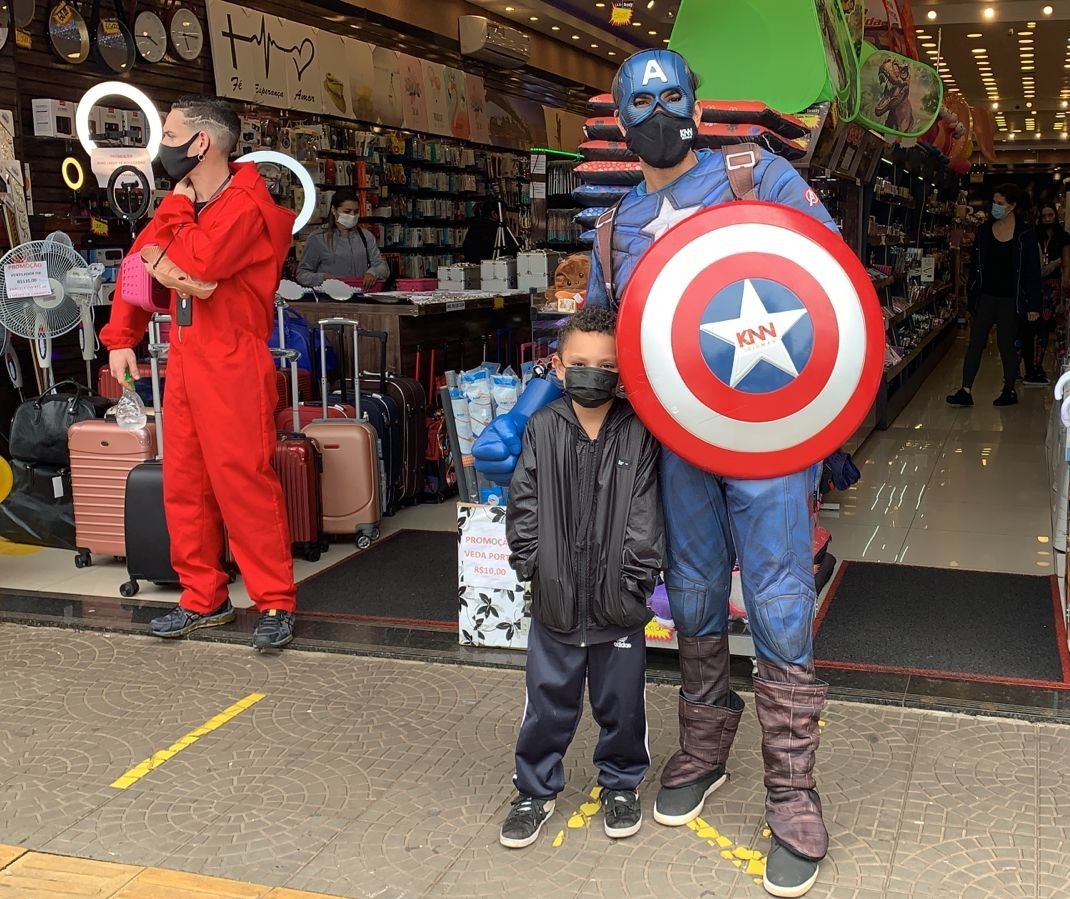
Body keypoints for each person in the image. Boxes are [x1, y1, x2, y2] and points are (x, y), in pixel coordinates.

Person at [476, 49, 836, 898]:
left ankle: (793, 788)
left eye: (672, 93)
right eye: (639, 99)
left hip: (768, 439)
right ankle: (706, 745)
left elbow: (828, 284)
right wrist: (534, 406)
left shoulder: (757, 177)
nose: (657, 109)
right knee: (698, 590)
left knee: (781, 598)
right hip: (677, 447)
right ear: (620, 113)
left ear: (697, 104)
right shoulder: (616, 227)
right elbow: (599, 337)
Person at [102, 96, 298, 650]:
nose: (161, 144)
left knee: (243, 483)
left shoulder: (246, 201)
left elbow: (201, 265)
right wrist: (121, 338)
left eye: (169, 132)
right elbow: (140, 265)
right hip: (186, 355)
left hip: (233, 359)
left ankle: (275, 601)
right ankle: (201, 597)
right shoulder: (189, 204)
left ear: (202, 142)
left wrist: (171, 231)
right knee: (184, 484)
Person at [499, 306, 663, 850]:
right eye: (581, 363)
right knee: (547, 704)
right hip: (556, 601)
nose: (593, 372)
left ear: (623, 370)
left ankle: (620, 784)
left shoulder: (638, 432)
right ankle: (534, 792)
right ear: (559, 366)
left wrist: (636, 581)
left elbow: (646, 513)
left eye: (606, 364)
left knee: (623, 705)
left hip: (619, 604)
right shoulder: (542, 428)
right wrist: (533, 566)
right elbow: (523, 503)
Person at [947, 184, 1042, 407]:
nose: (995, 207)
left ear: (1012, 206)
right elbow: (976, 267)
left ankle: (1009, 389)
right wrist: (971, 294)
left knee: (1006, 344)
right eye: (994, 202)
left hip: (1011, 298)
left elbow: (1032, 271)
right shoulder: (984, 231)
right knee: (975, 342)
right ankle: (965, 389)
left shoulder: (1025, 234)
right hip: (986, 296)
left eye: (1000, 204)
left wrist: (1034, 305)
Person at [295, 188, 390, 289]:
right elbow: (302, 274)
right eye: (347, 211)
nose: (352, 216)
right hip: (330, 299)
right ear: (334, 210)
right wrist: (322, 278)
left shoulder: (366, 236)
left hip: (361, 297)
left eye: (356, 211)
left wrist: (373, 273)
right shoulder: (318, 238)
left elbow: (382, 266)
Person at [1030, 204, 1070, 385]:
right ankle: (1030, 365)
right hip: (1035, 285)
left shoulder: (1063, 237)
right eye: (1044, 215)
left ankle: (1040, 364)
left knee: (1049, 326)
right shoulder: (1035, 235)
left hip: (1054, 286)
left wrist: (1064, 289)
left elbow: (1066, 265)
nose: (1047, 219)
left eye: (1050, 215)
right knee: (1034, 326)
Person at [461, 199, 519, 263]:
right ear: (494, 214)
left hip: (475, 268)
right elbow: (512, 249)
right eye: (504, 214)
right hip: (495, 267)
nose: (505, 217)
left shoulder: (474, 227)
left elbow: (466, 248)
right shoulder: (498, 229)